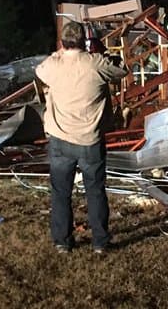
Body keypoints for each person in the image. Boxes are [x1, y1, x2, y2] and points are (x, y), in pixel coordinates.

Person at [34, 21, 126, 254]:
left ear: (63, 43)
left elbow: (39, 70)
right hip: (89, 140)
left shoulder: (52, 65)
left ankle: (62, 242)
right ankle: (100, 243)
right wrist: (99, 52)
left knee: (60, 193)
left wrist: (60, 52)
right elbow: (122, 70)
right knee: (95, 191)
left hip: (60, 140)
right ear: (84, 40)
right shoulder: (95, 64)